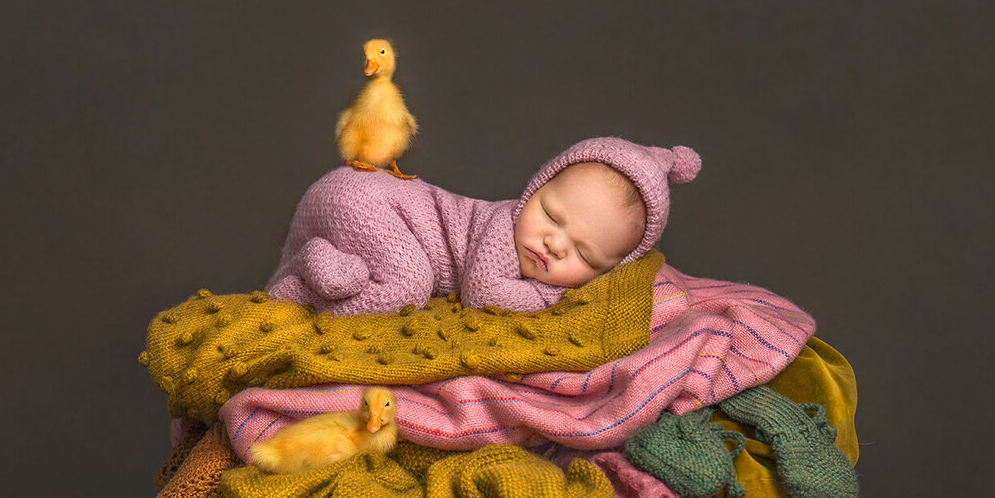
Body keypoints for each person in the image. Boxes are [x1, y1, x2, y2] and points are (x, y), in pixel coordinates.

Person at [267, 137, 701, 315]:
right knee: (409, 285)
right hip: (365, 196)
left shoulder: (534, 238)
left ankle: (313, 276)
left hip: (372, 207)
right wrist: (555, 295)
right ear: (534, 190)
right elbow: (483, 293)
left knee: (400, 278)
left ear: (609, 269)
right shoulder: (503, 227)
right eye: (550, 215)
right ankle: (306, 284)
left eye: (583, 253)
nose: (552, 242)